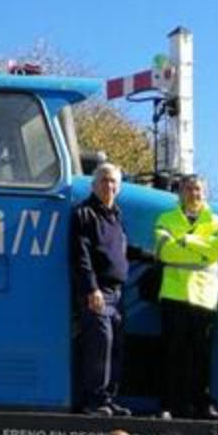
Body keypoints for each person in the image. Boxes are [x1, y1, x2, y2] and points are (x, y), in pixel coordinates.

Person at [69, 163, 151, 416]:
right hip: (98, 292)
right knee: (99, 344)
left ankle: (108, 399)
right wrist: (91, 289)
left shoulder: (115, 215)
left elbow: (122, 249)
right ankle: (93, 401)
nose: (110, 185)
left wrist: (152, 255)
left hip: (118, 293)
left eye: (114, 181)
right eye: (104, 180)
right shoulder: (84, 213)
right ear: (94, 185)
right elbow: (80, 255)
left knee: (115, 346)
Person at [154, 175, 218, 420]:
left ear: (204, 193)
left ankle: (201, 405)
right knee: (172, 353)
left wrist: (186, 240)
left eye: (197, 189)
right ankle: (169, 405)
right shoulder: (165, 219)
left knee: (202, 355)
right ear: (179, 193)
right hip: (174, 294)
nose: (193, 194)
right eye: (188, 189)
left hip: (205, 297)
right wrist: (201, 250)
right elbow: (165, 252)